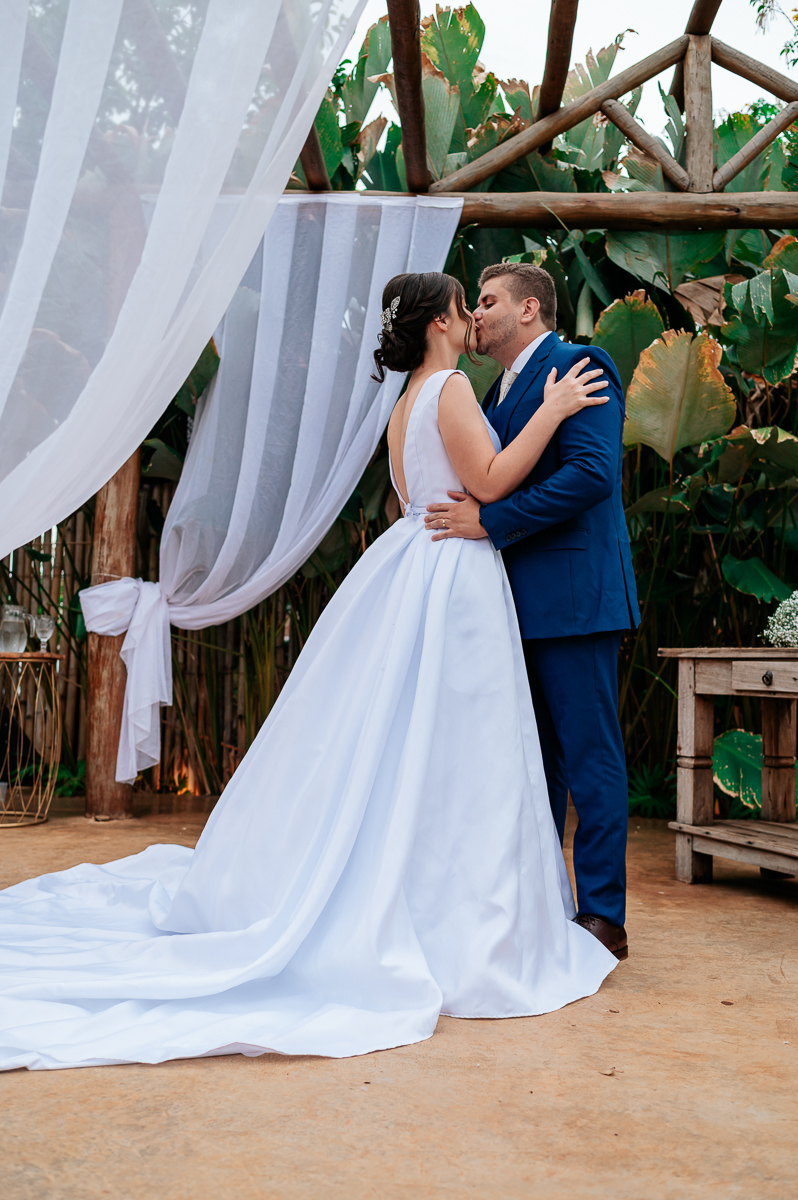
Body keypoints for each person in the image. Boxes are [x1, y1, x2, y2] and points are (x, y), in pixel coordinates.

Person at [0, 271, 617, 1073]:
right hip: (455, 575)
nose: (472, 317)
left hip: (424, 565)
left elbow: (419, 500)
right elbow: (494, 483)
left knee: (434, 747)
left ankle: (483, 900)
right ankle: (472, 913)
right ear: (438, 323)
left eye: (484, 303)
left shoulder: (408, 403)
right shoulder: (457, 389)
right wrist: (552, 413)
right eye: (465, 305)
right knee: (467, 749)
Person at [425, 263, 640, 962]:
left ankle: (604, 915)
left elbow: (591, 474)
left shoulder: (580, 365)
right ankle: (545, 902)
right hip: (514, 606)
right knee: (533, 764)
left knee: (590, 759)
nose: (477, 314)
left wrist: (492, 521)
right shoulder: (491, 394)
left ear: (529, 310)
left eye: (487, 302)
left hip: (575, 599)